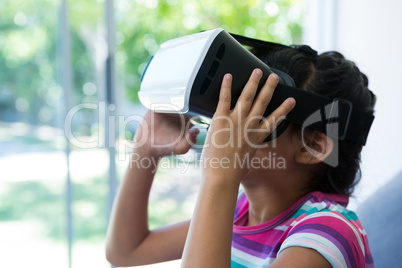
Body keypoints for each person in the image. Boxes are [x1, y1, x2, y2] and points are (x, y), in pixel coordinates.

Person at [105, 42, 376, 267]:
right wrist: (146, 150)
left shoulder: (328, 233)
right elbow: (127, 250)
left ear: (312, 147)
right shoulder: (240, 213)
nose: (224, 122)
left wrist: (219, 175)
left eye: (253, 113)